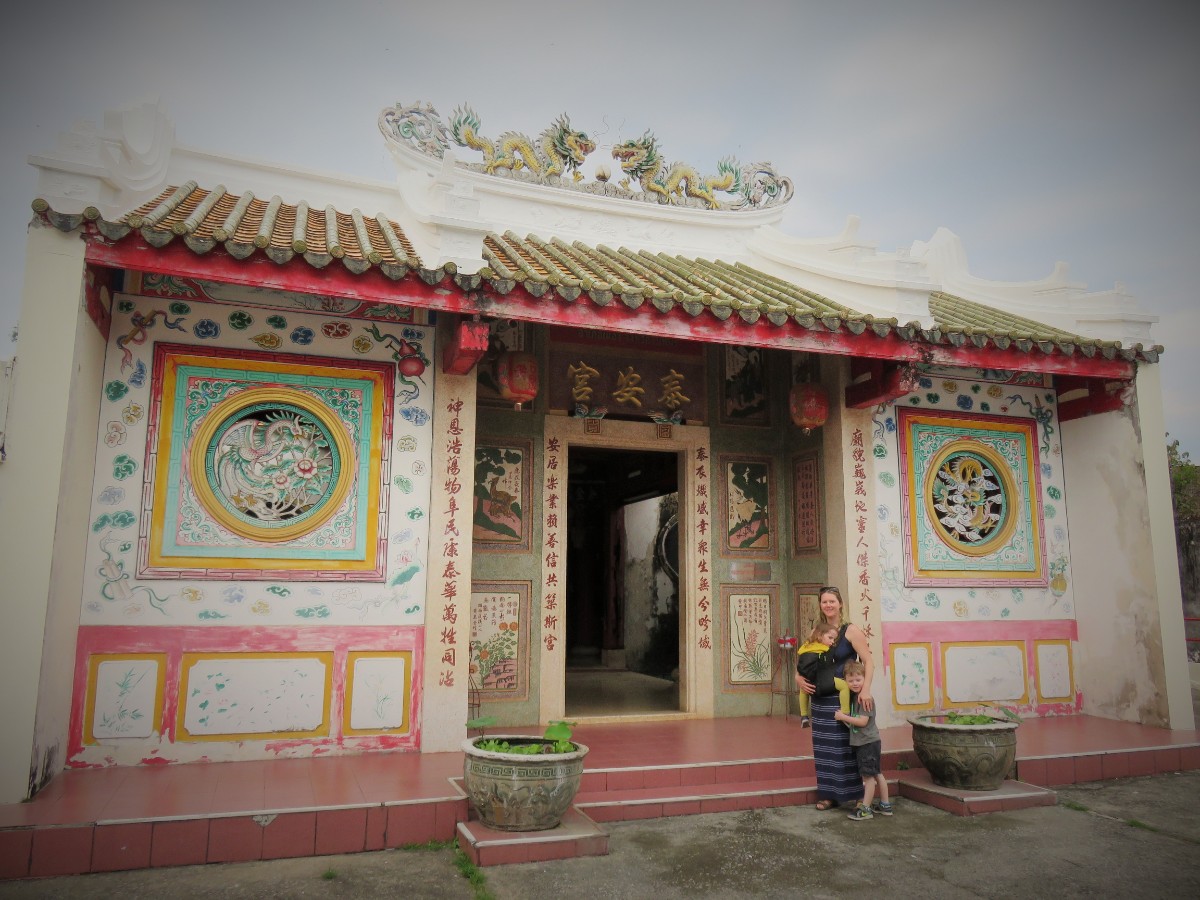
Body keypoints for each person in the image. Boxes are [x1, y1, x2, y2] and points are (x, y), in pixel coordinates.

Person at [795, 585, 874, 811]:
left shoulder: (851, 631)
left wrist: (865, 689)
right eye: (824, 602)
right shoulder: (816, 632)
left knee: (849, 747)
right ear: (820, 605)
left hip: (844, 698)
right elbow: (803, 659)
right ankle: (829, 795)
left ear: (840, 603)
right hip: (820, 699)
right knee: (824, 749)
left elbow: (869, 661)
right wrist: (798, 678)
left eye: (832, 601)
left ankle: (859, 794)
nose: (828, 605)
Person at [836, 660, 894, 820]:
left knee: (868, 777)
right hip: (869, 740)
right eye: (851, 680)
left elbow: (862, 722)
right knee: (877, 773)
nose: (855, 683)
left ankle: (866, 808)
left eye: (858, 679)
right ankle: (885, 804)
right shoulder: (856, 697)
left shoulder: (864, 699)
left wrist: (843, 717)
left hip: (867, 742)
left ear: (865, 679)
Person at [795, 622, 850, 726]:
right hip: (824, 682)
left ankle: (804, 715)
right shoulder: (825, 649)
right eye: (830, 638)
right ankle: (845, 712)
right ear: (820, 636)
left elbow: (800, 667)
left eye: (834, 639)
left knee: (803, 690)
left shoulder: (805, 648)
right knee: (844, 686)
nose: (832, 641)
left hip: (809, 683)